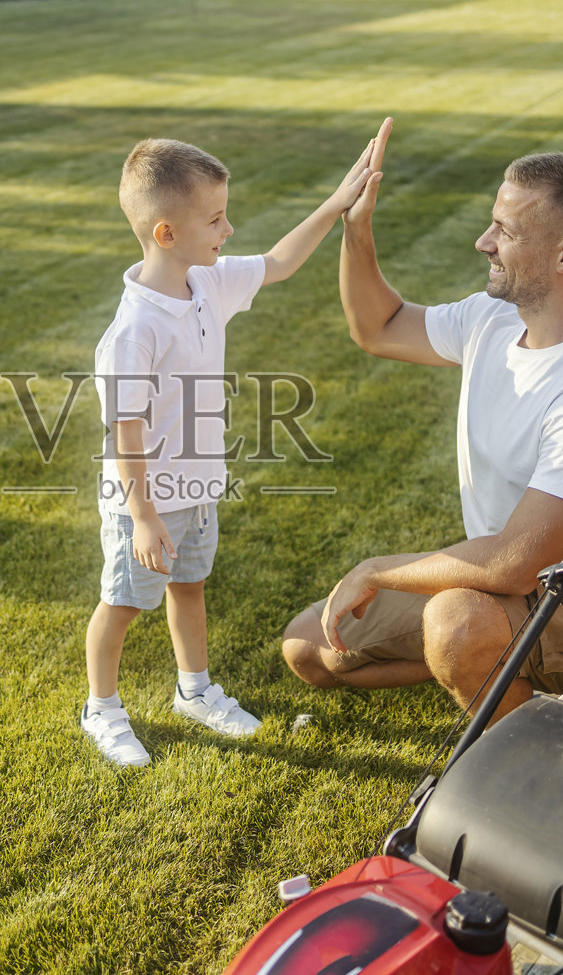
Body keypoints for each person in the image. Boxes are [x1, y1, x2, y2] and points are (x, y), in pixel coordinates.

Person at [281, 119, 563, 722]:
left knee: (455, 623)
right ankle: (495, 671)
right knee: (311, 647)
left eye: (504, 231)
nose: (483, 241)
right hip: (495, 593)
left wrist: (380, 570)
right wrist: (357, 228)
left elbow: (514, 562)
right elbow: (378, 327)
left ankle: (517, 759)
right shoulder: (494, 318)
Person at [83, 137, 378, 767]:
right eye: (215, 219)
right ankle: (101, 708)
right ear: (166, 233)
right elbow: (123, 433)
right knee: (124, 602)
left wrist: (336, 203)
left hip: (196, 492)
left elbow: (278, 261)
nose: (229, 228)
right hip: (144, 507)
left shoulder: (206, 283)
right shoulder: (133, 331)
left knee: (189, 587)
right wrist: (142, 518)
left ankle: (195, 690)